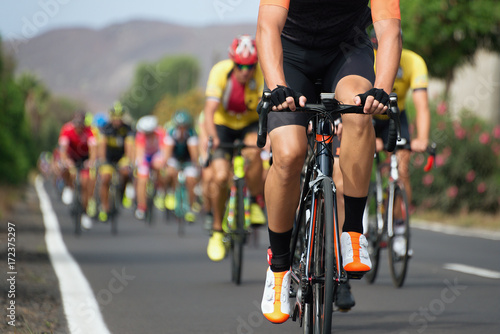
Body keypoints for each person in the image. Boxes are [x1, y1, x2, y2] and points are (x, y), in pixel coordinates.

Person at [256, 0, 402, 324]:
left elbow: (390, 32)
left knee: (358, 111)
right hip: (291, 56)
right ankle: (279, 267)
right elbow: (267, 26)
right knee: (290, 153)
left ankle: (351, 230)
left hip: (346, 52)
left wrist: (382, 90)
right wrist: (278, 84)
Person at [203, 34, 267, 262]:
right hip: (223, 125)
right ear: (233, 61)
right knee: (220, 176)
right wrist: (213, 137)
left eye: (250, 66)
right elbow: (209, 110)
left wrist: (266, 137)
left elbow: (267, 110)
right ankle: (218, 231)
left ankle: (254, 199)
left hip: (249, 122)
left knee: (254, 151)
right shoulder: (221, 72)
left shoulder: (261, 73)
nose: (245, 71)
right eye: (240, 65)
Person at [58, 111, 97, 229]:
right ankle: (68, 187)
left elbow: (93, 150)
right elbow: (62, 150)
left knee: (85, 184)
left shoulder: (90, 131)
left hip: (84, 158)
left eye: (81, 125)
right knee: (64, 168)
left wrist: (91, 162)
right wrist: (66, 161)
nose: (79, 128)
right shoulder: (66, 129)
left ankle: (85, 212)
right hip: (71, 157)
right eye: (77, 125)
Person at [96, 103, 135, 222]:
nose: (117, 119)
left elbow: (129, 146)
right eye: (115, 116)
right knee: (105, 178)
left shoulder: (127, 128)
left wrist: (129, 161)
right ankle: (104, 207)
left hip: (121, 157)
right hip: (108, 157)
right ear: (111, 117)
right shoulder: (105, 128)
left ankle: (122, 192)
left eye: (119, 116)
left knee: (125, 172)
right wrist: (102, 160)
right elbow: (102, 146)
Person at [164, 110, 200, 222]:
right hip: (174, 158)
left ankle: (190, 206)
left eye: (184, 126)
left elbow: (194, 154)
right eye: (179, 126)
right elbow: (167, 152)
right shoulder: (171, 132)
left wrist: (196, 165)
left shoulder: (192, 133)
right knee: (170, 173)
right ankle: (171, 193)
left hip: (188, 159)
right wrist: (166, 163)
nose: (182, 128)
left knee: (191, 180)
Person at [134, 115, 168, 220]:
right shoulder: (140, 135)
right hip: (146, 156)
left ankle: (159, 187)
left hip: (156, 154)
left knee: (158, 165)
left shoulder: (160, 133)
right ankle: (141, 206)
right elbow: (139, 152)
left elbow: (164, 149)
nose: (147, 134)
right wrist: (139, 164)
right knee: (142, 180)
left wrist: (163, 161)